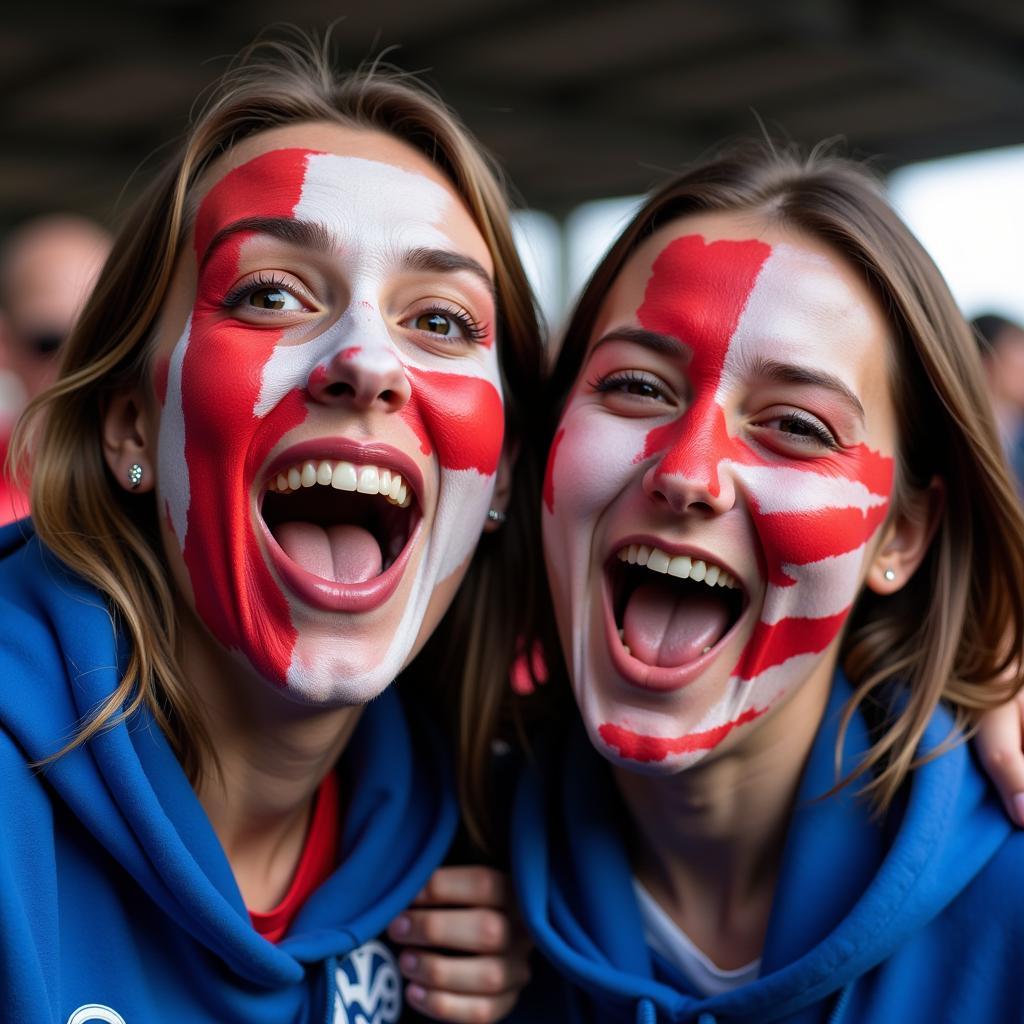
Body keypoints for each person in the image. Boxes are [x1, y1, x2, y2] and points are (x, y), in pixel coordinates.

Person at [0, 36, 543, 1024]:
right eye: (272, 294)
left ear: (499, 477)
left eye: (441, 320)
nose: (367, 360)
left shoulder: (487, 858)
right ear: (131, 422)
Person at [500, 145, 1024, 1022]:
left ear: (900, 534)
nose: (690, 472)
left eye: (795, 425)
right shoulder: (442, 871)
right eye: (635, 386)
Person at [0, 214, 111, 524]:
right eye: (49, 342)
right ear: (5, 344)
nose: (76, 362)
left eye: (98, 338)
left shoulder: (166, 479)